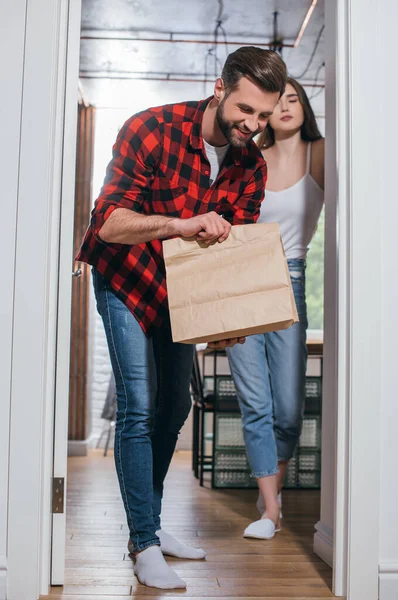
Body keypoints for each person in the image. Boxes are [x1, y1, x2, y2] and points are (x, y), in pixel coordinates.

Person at [76, 47, 287, 589]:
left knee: (174, 408)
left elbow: (232, 254)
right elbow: (108, 224)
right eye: (245, 110)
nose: (253, 125)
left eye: (264, 116)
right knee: (141, 406)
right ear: (220, 88)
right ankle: (143, 543)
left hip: (183, 293)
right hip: (126, 279)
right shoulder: (151, 129)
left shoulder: (251, 165)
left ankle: (152, 523)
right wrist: (180, 224)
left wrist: (234, 314)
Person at [226, 77, 324, 540]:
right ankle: (269, 510)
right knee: (255, 402)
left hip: (292, 277)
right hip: (243, 278)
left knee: (287, 407)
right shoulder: (248, 159)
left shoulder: (321, 154)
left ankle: (273, 488)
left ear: (305, 107)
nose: (285, 107)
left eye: (294, 98)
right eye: (277, 101)